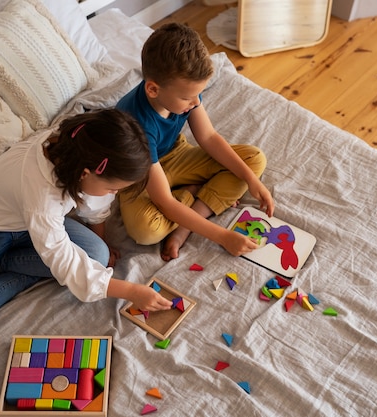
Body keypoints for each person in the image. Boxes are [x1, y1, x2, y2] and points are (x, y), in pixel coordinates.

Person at [0, 109, 172, 328]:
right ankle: (1, 263)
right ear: (84, 174)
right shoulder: (43, 198)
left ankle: (5, 262)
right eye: (113, 189)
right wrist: (130, 291)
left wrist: (103, 242)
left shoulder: (77, 148)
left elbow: (95, 203)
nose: (115, 194)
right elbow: (61, 254)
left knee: (97, 255)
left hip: (31, 224)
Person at [116, 23, 275, 261]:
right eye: (187, 98)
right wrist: (223, 237)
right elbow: (165, 202)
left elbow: (209, 137)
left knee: (253, 161)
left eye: (197, 95)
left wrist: (251, 180)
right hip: (139, 175)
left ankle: (183, 228)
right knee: (146, 230)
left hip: (174, 155)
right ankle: (195, 192)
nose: (194, 103)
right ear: (152, 89)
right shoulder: (136, 124)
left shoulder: (186, 92)